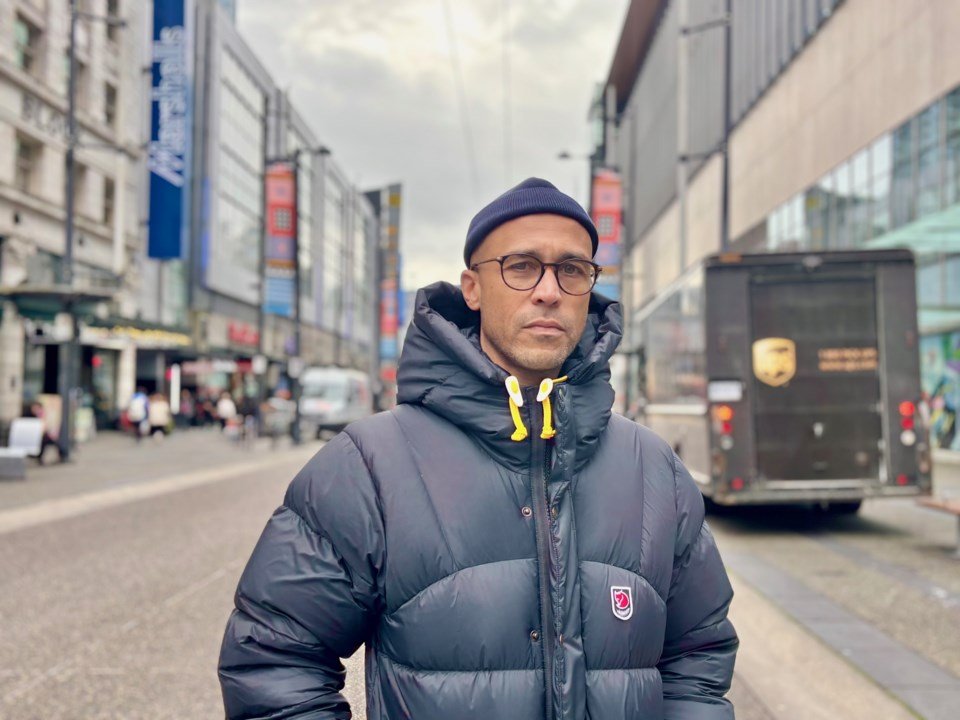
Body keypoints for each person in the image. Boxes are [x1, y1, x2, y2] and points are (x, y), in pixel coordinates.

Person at [219, 178, 738, 719]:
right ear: (472, 287)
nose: (548, 290)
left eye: (572, 269)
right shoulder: (370, 466)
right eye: (521, 266)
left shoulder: (654, 470)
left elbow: (698, 654)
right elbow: (275, 660)